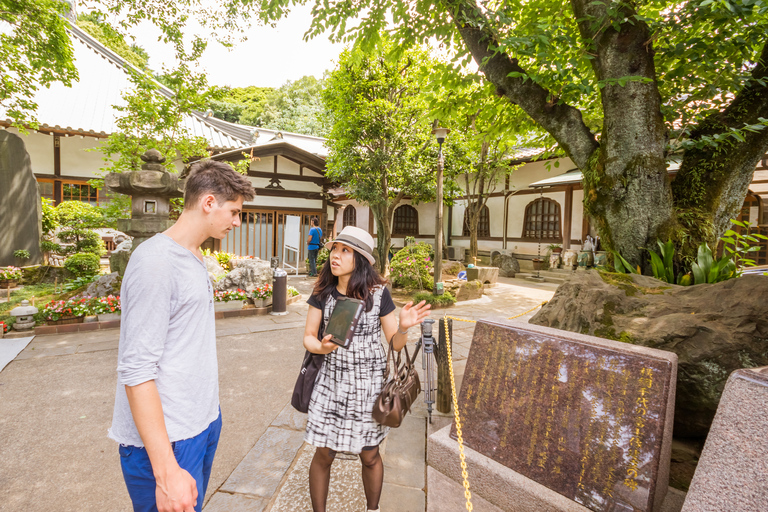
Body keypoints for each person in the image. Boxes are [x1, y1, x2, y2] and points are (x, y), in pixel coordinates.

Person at [108, 160, 255, 512]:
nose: (237, 221)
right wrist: (166, 471)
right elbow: (137, 369)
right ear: (208, 203)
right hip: (167, 439)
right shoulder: (156, 262)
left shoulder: (192, 254)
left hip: (199, 420)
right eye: (234, 211)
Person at [302, 226, 431, 512]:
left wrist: (405, 328)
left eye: (344, 251)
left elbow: (395, 344)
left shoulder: (378, 294)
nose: (335, 255)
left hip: (369, 387)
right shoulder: (323, 291)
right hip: (331, 384)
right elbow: (309, 336)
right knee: (324, 454)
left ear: (360, 259)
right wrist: (322, 347)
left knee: (370, 455)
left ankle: (373, 510)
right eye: (334, 249)